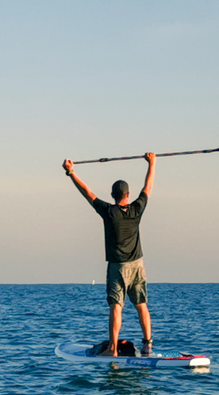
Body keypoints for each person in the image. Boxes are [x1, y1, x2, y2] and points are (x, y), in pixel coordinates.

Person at [62, 152, 156, 357]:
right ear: (127, 195)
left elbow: (87, 192)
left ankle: (113, 349)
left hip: (117, 267)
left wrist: (71, 173)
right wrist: (152, 163)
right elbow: (147, 187)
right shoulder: (136, 209)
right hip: (138, 265)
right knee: (141, 305)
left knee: (116, 307)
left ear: (113, 195)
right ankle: (147, 345)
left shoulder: (108, 211)